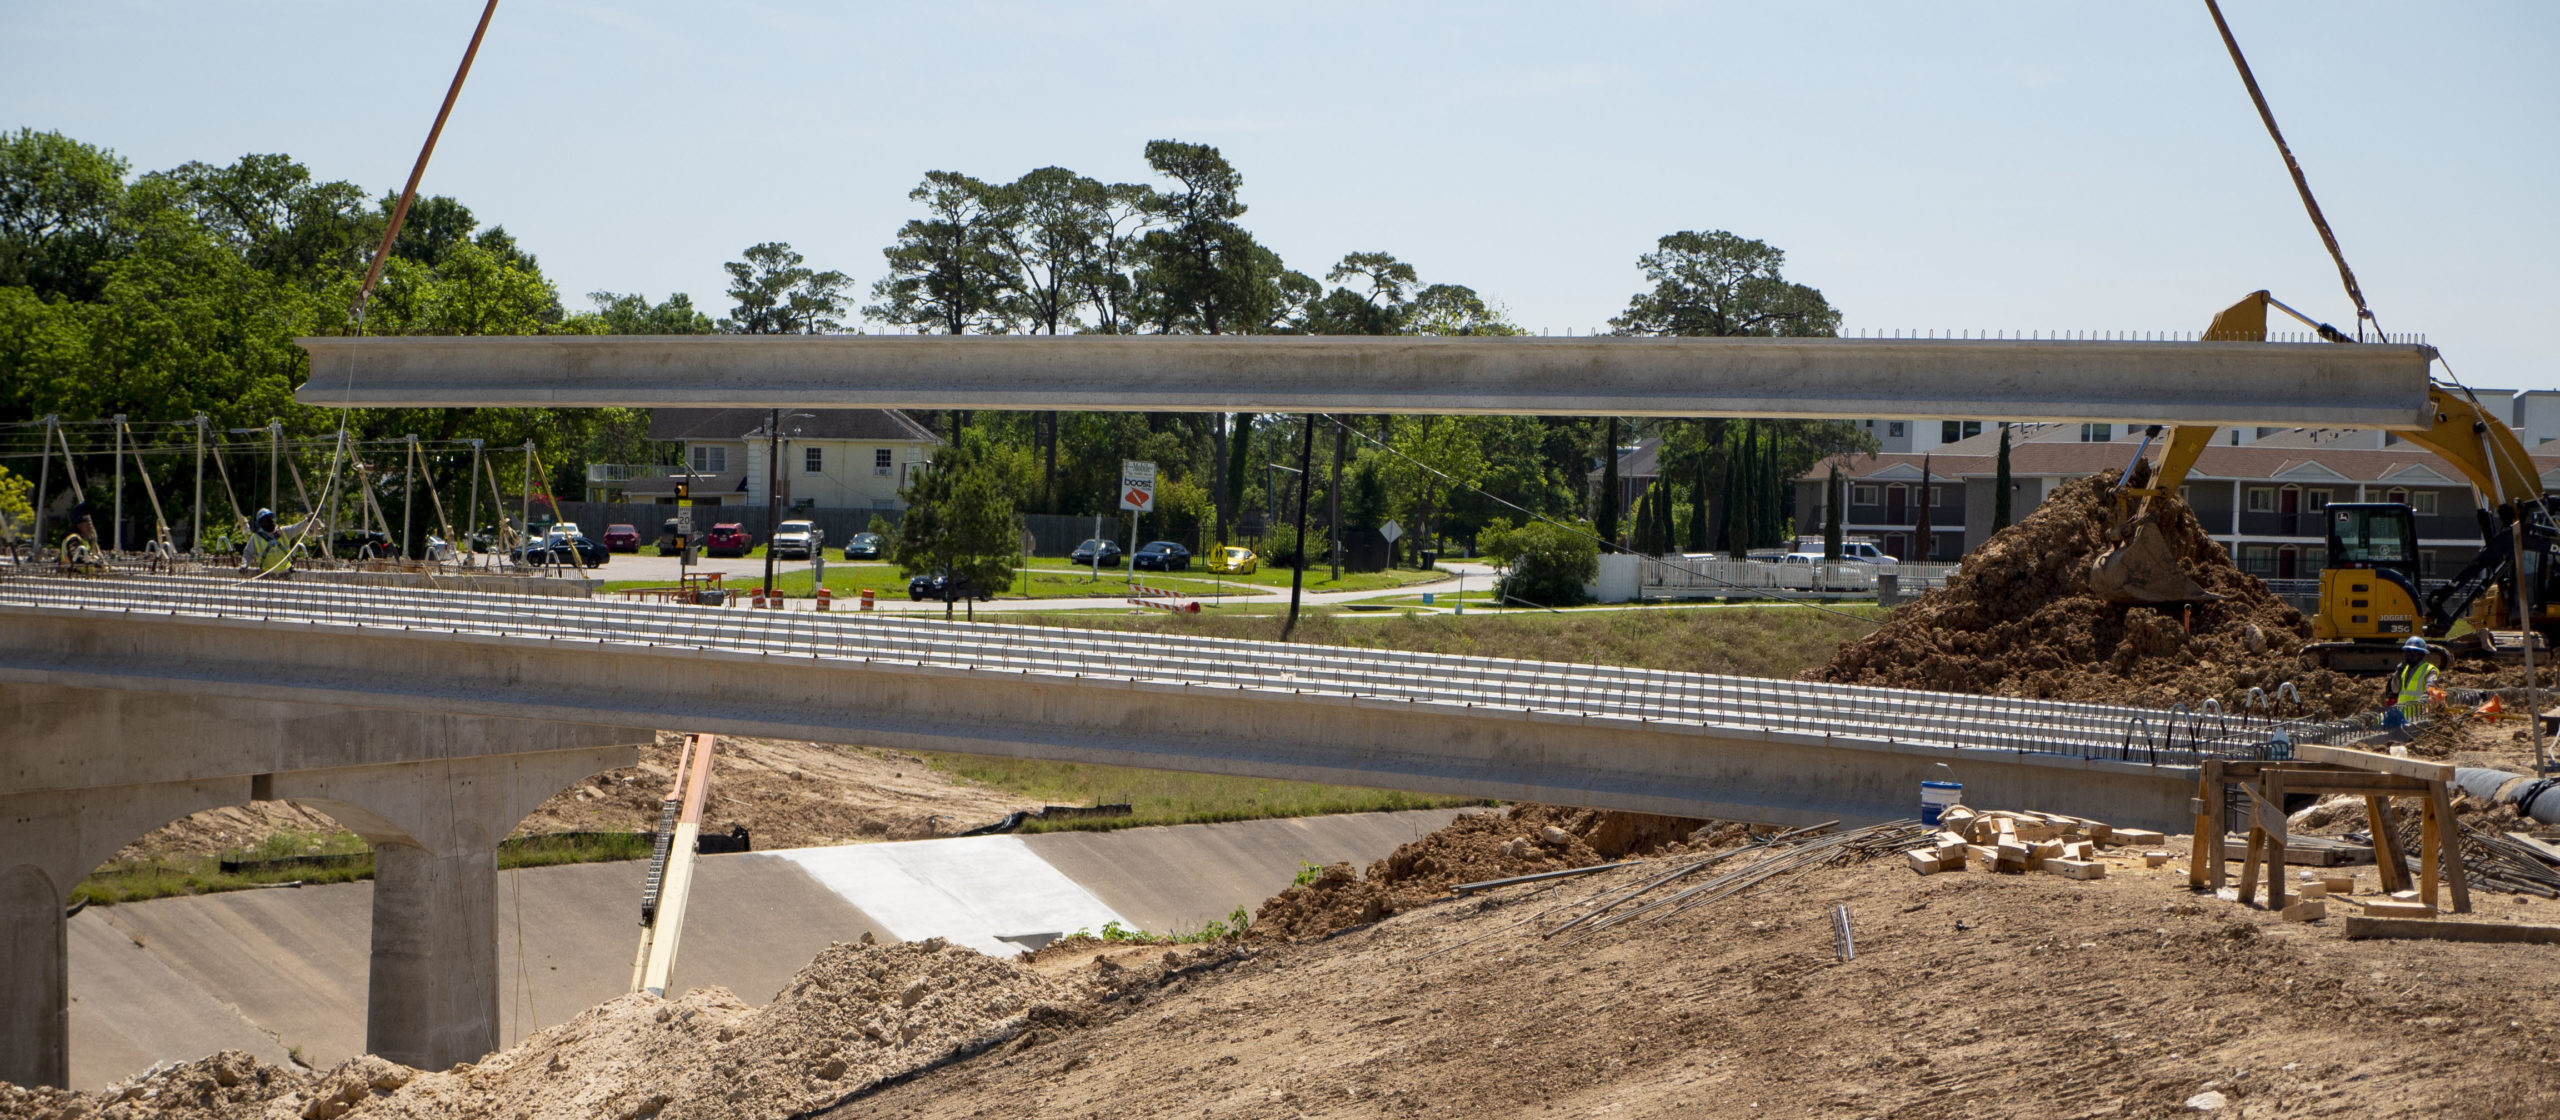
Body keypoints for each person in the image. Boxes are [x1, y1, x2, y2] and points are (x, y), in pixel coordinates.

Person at [2382, 636, 2439, 732]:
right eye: (2407, 652)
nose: (2409, 655)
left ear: (2421, 654)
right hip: (2401, 714)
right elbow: (2395, 689)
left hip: (2417, 715)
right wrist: (2397, 673)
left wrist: (2424, 705)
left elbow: (2431, 689)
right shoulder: (2404, 669)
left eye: (2413, 653)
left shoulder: (2429, 670)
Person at [241, 507, 308, 578]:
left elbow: (297, 528)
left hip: (285, 574)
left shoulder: (283, 532)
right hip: (267, 575)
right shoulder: (256, 538)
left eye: (269, 518)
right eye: (264, 520)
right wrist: (244, 565)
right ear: (260, 523)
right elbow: (248, 552)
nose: (267, 521)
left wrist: (307, 521)